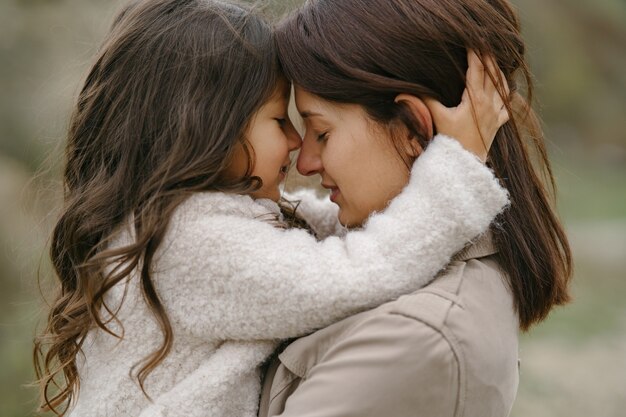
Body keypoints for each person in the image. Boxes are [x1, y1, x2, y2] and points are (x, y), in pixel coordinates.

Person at [32, 1, 511, 417]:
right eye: (280, 120)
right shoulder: (194, 244)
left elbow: (309, 223)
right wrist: (456, 166)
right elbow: (360, 270)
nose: (295, 145)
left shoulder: (188, 220)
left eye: (315, 130)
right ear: (207, 129)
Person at [258, 1, 573, 416]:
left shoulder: (416, 338)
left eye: (321, 132)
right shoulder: (402, 279)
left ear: (412, 127)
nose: (305, 163)